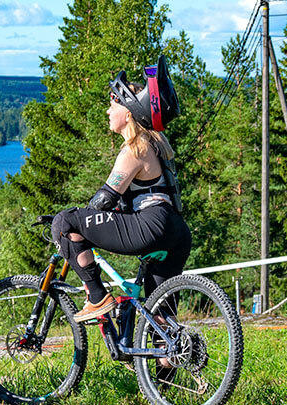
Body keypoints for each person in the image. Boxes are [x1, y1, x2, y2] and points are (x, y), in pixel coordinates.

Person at [51, 56, 191, 322]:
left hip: (152, 225)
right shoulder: (158, 144)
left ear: (127, 113)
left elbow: (104, 200)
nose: (108, 111)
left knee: (64, 221)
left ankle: (97, 298)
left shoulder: (135, 148)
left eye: (112, 105)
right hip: (177, 231)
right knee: (160, 318)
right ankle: (168, 346)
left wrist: (81, 223)